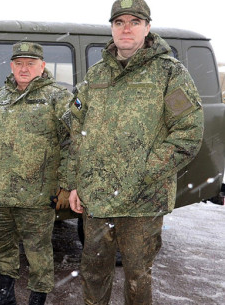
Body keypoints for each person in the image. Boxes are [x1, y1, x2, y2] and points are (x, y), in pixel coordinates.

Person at [67, 0, 204, 304]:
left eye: (134, 21)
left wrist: (143, 172)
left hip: (143, 201)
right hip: (97, 198)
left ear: (147, 27)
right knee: (93, 273)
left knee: (137, 277)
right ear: (112, 28)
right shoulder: (96, 75)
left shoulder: (170, 74)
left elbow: (188, 133)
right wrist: (74, 181)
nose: (125, 28)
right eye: (119, 22)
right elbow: (74, 124)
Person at [0, 42, 73, 305]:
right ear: (11, 66)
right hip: (0, 191)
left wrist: (66, 185)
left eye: (30, 63)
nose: (24, 68)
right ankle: (6, 295)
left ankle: (37, 300)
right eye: (19, 63)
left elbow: (73, 143)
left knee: (38, 251)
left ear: (42, 66)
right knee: (0, 247)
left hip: (38, 195)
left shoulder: (58, 98)